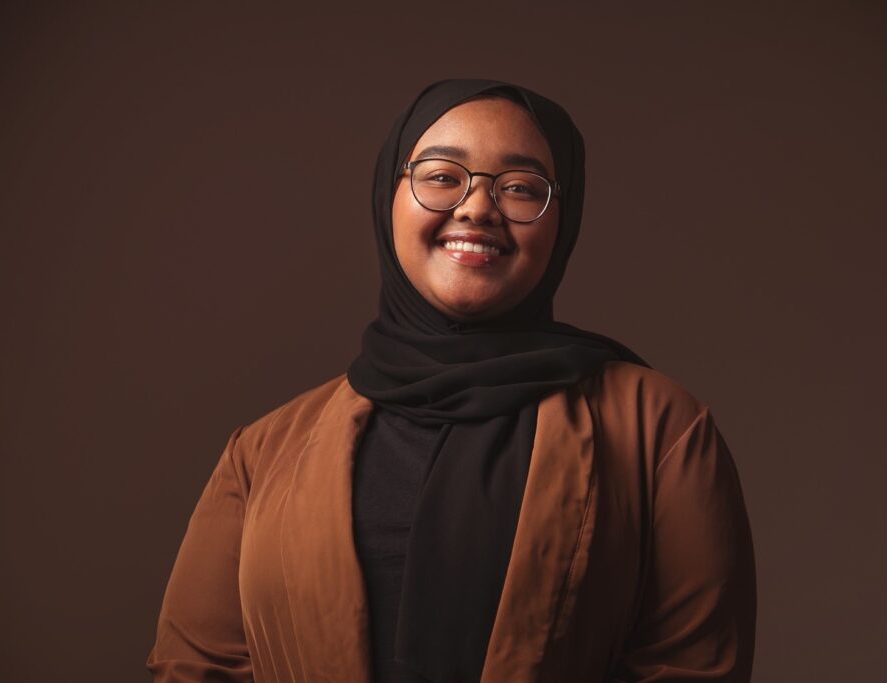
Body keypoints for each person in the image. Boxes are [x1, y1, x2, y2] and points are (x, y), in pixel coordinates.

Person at [146, 78, 756, 683]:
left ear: (561, 223)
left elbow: (693, 670)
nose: (477, 208)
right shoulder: (263, 452)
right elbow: (198, 670)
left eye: (521, 188)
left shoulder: (659, 430)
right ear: (390, 197)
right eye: (441, 177)